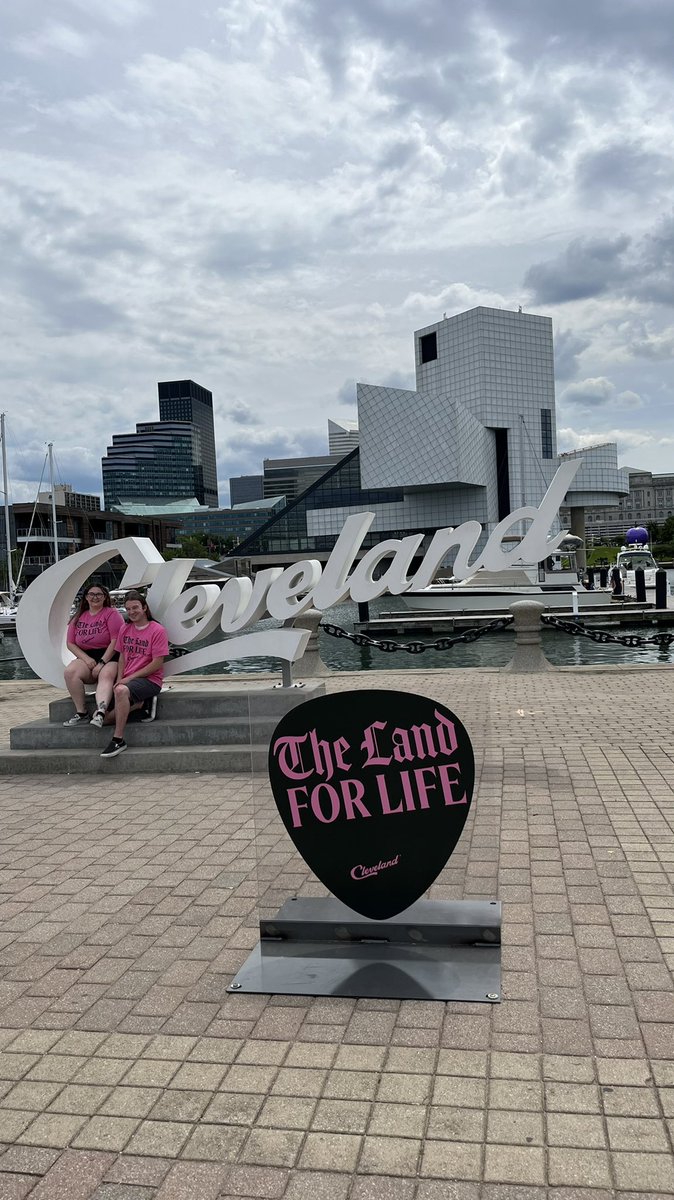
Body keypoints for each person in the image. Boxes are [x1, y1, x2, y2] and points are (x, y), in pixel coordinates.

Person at [94, 590, 169, 759]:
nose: (132, 612)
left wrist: (128, 679)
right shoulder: (125, 628)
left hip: (149, 680)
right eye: (128, 609)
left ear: (144, 608)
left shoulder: (157, 630)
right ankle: (139, 704)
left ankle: (118, 740)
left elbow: (157, 663)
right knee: (102, 718)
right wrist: (120, 678)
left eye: (135, 607)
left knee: (121, 691)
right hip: (127, 681)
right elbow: (122, 656)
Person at [63, 583, 125, 726]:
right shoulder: (77, 618)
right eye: (91, 594)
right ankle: (81, 712)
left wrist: (102, 662)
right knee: (70, 672)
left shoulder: (112, 614)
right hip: (86, 656)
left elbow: (116, 641)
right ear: (86, 597)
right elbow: (70, 643)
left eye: (99, 594)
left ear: (105, 597)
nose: (95, 597)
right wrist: (86, 659)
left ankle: (101, 712)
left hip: (110, 655)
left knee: (106, 675)